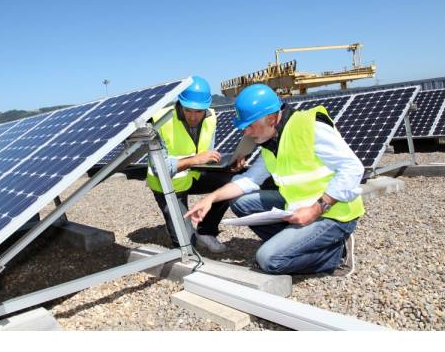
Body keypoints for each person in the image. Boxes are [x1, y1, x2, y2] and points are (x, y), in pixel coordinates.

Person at [185, 84, 365, 276]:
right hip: (298, 206)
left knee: (269, 260)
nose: (246, 133)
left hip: (333, 213)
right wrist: (211, 198)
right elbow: (249, 180)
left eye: (250, 126)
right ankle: (294, 244)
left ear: (271, 118)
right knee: (240, 202)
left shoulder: (310, 127)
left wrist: (315, 209)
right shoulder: (270, 142)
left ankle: (337, 256)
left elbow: (353, 168)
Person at [147, 76, 241, 253]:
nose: (193, 116)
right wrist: (195, 160)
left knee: (233, 180)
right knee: (186, 246)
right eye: (188, 110)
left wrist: (230, 162)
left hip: (194, 176)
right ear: (179, 103)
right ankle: (180, 228)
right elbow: (161, 169)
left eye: (199, 111)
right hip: (167, 184)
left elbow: (208, 155)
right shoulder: (159, 122)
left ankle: (206, 231)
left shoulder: (211, 117)